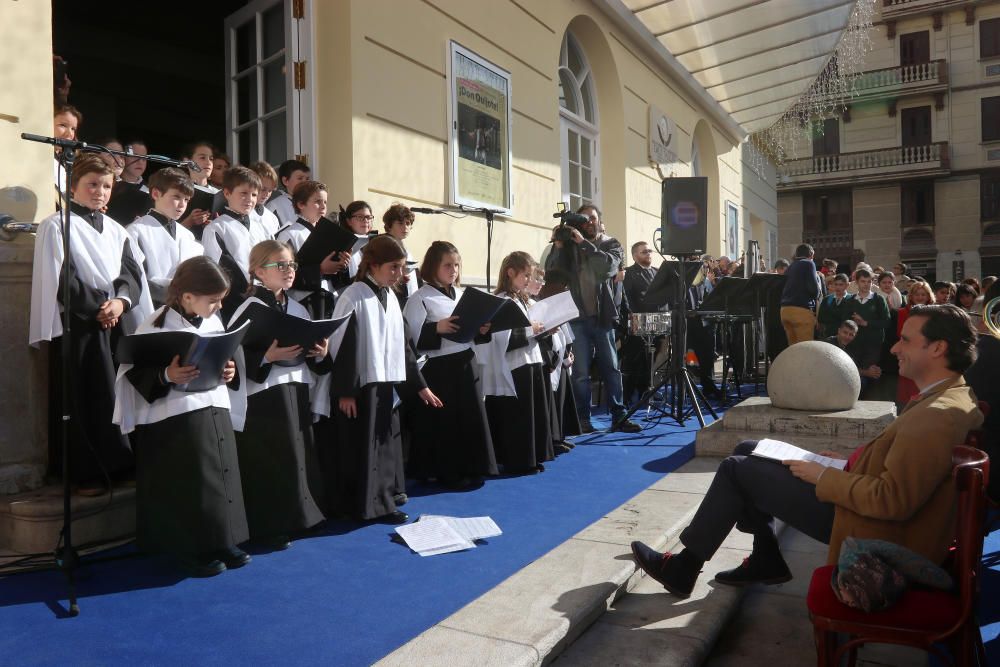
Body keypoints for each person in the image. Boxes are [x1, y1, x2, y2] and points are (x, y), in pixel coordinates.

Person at [631, 304, 983, 598]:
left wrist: (824, 475)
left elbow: (892, 501)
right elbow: (899, 468)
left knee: (738, 468)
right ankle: (765, 556)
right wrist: (843, 462)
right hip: (863, 507)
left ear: (937, 348)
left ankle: (684, 567)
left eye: (905, 340)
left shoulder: (937, 416)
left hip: (869, 527)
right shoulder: (948, 397)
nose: (894, 349)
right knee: (749, 448)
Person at [112, 256, 249, 577]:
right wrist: (165, 374)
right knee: (193, 483)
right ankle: (191, 549)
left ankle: (222, 539)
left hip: (214, 406)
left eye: (220, 301)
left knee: (221, 477)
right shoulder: (155, 324)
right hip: (174, 418)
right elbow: (132, 371)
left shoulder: (212, 320)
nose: (218, 307)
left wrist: (229, 369)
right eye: (213, 300)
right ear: (188, 296)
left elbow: (224, 357)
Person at [29, 154, 153, 491]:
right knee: (87, 395)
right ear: (73, 188)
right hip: (82, 324)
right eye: (93, 185)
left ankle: (122, 463)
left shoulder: (116, 230)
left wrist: (121, 302)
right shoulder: (57, 225)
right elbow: (61, 277)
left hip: (115, 320)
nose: (100, 191)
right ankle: (86, 472)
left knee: (117, 392)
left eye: (106, 186)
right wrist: (98, 307)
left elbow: (131, 274)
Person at [325, 235, 441, 524]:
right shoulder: (353, 296)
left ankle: (383, 502)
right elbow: (343, 346)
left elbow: (404, 347)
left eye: (401, 268)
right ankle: (359, 506)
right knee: (360, 447)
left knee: (384, 445)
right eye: (393, 267)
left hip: (386, 383)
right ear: (373, 265)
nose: (399, 275)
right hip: (361, 386)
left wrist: (420, 385)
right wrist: (346, 392)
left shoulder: (390, 296)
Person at [230, 241, 328, 550]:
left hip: (295, 385)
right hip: (264, 394)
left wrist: (319, 353)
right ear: (259, 271)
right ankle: (269, 525)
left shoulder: (297, 307)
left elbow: (311, 352)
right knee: (270, 459)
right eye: (280, 265)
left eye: (292, 265)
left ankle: (303, 516)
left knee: (298, 453)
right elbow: (232, 354)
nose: (289, 271)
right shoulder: (248, 307)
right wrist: (265, 357)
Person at [402, 241, 498, 488]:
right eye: (447, 265)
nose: (453, 270)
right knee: (448, 422)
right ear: (433, 266)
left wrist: (482, 329)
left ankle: (473, 466)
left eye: (456, 265)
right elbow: (409, 340)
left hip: (466, 361)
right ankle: (448, 472)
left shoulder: (463, 294)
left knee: (470, 416)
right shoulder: (420, 298)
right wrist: (436, 328)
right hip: (440, 368)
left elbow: (472, 331)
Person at [544, 205, 640, 433]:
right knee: (580, 374)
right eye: (584, 219)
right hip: (576, 317)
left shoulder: (611, 244)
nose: (588, 222)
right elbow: (552, 273)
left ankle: (619, 416)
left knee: (611, 369)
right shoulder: (568, 247)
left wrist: (582, 244)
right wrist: (558, 246)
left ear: (599, 221)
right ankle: (582, 419)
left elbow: (605, 268)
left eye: (593, 218)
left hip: (603, 317)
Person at [480, 251, 555, 473]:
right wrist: (532, 331)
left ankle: (532, 457)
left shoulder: (520, 299)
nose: (528, 281)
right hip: (514, 366)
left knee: (532, 413)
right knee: (518, 416)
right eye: (525, 275)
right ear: (510, 273)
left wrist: (544, 330)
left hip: (530, 361)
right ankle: (518, 460)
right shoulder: (502, 301)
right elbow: (502, 340)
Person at [201, 166, 273, 320]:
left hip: (267, 297)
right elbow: (217, 271)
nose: (250, 199)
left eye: (254, 194)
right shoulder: (217, 228)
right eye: (243, 193)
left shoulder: (260, 225)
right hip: (236, 302)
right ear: (227, 193)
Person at [126, 167, 203, 307]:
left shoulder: (187, 234)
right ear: (156, 194)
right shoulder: (136, 231)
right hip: (154, 304)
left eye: (186, 199)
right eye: (176, 197)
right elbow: (136, 277)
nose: (182, 205)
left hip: (186, 305)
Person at [277, 180, 345, 319]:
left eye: (325, 202)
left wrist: (341, 264)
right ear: (301, 204)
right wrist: (319, 270)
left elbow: (332, 277)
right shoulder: (290, 234)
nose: (323, 207)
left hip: (328, 298)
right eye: (317, 202)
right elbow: (281, 274)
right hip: (304, 302)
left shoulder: (328, 234)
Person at [621, 241, 666, 403]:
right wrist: (632, 318)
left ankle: (646, 388)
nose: (648, 254)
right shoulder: (630, 273)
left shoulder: (657, 272)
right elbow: (627, 298)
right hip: (638, 321)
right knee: (636, 359)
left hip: (659, 320)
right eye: (644, 252)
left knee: (652, 357)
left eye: (649, 251)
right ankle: (630, 393)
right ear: (635, 256)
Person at [896, 279, 935, 405]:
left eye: (923, 294)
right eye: (917, 294)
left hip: (927, 354)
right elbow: (899, 334)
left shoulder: (934, 313)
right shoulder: (902, 312)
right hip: (908, 355)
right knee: (907, 392)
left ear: (928, 296)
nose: (920, 297)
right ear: (911, 296)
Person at [846, 268, 890, 371]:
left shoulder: (879, 299)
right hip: (854, 343)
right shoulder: (850, 300)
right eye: (863, 281)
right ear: (856, 282)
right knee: (854, 371)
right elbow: (845, 321)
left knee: (870, 373)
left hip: (873, 343)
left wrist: (865, 323)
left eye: (869, 281)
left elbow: (886, 322)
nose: (866, 284)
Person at [779, 243, 822, 346]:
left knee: (793, 348)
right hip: (801, 310)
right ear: (811, 254)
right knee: (805, 348)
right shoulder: (808, 263)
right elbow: (814, 289)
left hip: (785, 311)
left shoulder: (790, 267)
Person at [328, 200, 375, 292]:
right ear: (349, 221)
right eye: (360, 217)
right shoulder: (341, 243)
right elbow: (337, 283)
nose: (365, 220)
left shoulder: (374, 244)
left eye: (368, 217)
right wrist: (343, 268)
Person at [178, 141, 218, 239]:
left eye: (211, 159)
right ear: (187, 161)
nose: (208, 162)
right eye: (202, 157)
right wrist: (190, 221)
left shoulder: (218, 193)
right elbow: (166, 233)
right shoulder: (177, 191)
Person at [825, 319, 882, 387]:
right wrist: (867, 372)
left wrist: (873, 370)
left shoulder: (852, 346)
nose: (847, 337)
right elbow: (841, 370)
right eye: (845, 332)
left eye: (851, 334)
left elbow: (853, 367)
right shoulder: (829, 344)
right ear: (839, 331)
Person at [382, 203, 419, 307]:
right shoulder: (383, 246)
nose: (405, 227)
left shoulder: (406, 249)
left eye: (408, 223)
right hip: (392, 300)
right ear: (389, 225)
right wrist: (399, 278)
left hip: (409, 301)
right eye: (400, 223)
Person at [266, 159, 311, 226]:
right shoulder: (274, 206)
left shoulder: (312, 203)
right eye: (300, 178)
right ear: (285, 181)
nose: (305, 182)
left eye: (307, 179)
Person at [248, 161, 282, 238]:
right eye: (263, 189)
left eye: (270, 190)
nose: (267, 194)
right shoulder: (243, 215)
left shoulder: (272, 218)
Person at [816, 273, 855, 339]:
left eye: (841, 285)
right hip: (829, 335)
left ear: (847, 285)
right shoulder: (827, 299)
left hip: (846, 337)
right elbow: (821, 318)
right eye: (836, 284)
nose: (838, 287)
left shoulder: (852, 300)